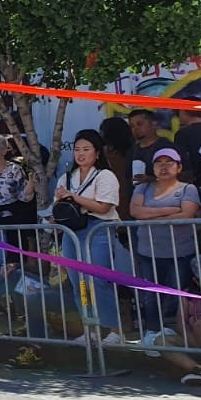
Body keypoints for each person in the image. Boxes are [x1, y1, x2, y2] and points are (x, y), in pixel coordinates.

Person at [54, 130, 123, 342]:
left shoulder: (105, 176)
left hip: (98, 228)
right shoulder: (66, 177)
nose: (80, 154)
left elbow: (103, 207)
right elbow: (58, 206)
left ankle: (114, 330)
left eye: (86, 149)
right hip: (72, 231)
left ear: (97, 152)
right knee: (79, 282)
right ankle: (90, 329)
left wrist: (74, 197)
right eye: (76, 150)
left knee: (98, 278)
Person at [127, 148, 201, 341]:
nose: (164, 167)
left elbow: (187, 214)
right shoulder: (142, 188)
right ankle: (153, 333)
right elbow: (136, 212)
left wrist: (150, 213)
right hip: (148, 252)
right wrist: (171, 209)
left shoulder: (187, 189)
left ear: (179, 167)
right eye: (159, 163)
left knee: (178, 296)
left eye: (169, 162)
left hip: (180, 252)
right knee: (151, 296)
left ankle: (179, 337)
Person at [127, 108, 175, 185]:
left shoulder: (168, 148)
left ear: (154, 124)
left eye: (139, 124)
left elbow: (186, 175)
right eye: (132, 126)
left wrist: (153, 180)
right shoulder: (131, 152)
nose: (135, 128)